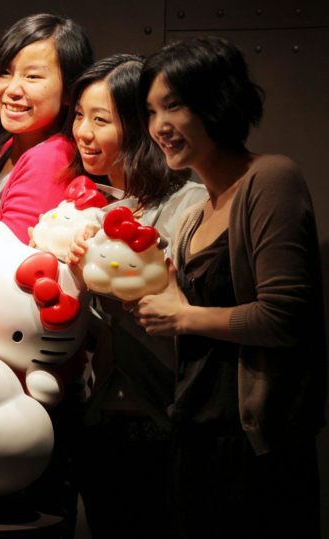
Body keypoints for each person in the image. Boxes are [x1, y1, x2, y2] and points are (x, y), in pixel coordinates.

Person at [133, 36, 326, 538]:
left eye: (173, 105)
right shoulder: (197, 213)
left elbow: (286, 316)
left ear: (217, 101)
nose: (159, 127)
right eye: (151, 112)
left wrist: (185, 316)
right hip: (194, 431)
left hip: (253, 444)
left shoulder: (270, 178)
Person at [65, 54, 206, 539]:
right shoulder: (102, 211)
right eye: (79, 115)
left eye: (101, 119)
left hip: (170, 422)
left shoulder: (192, 205)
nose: (83, 131)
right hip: (103, 418)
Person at [0, 13, 93, 246]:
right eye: (5, 72)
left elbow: (0, 257)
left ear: (69, 91)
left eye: (32, 76)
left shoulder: (51, 157)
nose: (12, 89)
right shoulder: (17, 143)